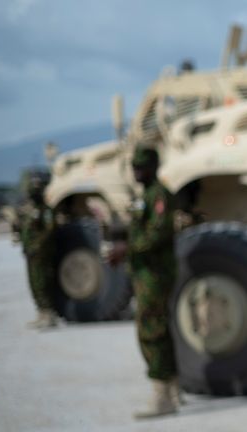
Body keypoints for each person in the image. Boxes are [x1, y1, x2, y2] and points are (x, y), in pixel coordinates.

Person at [109, 147, 181, 419]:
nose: (136, 172)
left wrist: (125, 250)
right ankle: (172, 389)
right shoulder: (147, 196)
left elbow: (157, 234)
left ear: (153, 166)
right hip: (146, 272)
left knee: (151, 330)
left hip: (155, 273)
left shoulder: (159, 195)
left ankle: (162, 396)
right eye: (134, 167)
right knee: (158, 327)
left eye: (141, 167)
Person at [18, 169, 59, 329]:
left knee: (42, 283)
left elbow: (49, 231)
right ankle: (41, 313)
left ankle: (48, 314)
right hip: (31, 254)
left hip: (41, 255)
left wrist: (37, 246)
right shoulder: (30, 210)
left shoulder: (45, 210)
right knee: (34, 283)